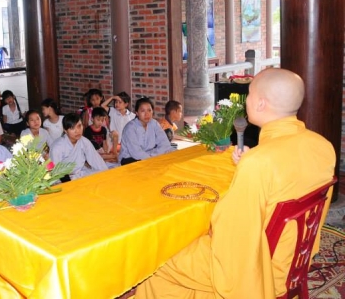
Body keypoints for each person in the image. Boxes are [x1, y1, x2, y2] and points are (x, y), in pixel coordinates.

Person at [135, 68, 336, 299]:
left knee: (158, 262)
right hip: (294, 260)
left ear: (260, 103)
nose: (246, 101)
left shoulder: (259, 163)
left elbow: (231, 235)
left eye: (249, 95)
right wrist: (250, 163)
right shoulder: (323, 146)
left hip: (261, 269)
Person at [49, 113, 109, 181]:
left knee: (101, 174)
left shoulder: (84, 141)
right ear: (65, 130)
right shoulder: (57, 147)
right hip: (64, 178)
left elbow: (96, 160)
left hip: (80, 173)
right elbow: (55, 171)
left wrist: (106, 174)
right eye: (72, 128)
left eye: (79, 126)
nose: (77, 131)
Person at [118, 97, 173, 165]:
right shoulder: (130, 128)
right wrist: (153, 158)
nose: (147, 114)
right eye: (143, 111)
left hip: (150, 156)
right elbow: (136, 153)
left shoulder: (154, 123)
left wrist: (154, 155)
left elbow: (165, 143)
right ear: (137, 113)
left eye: (149, 110)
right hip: (130, 159)